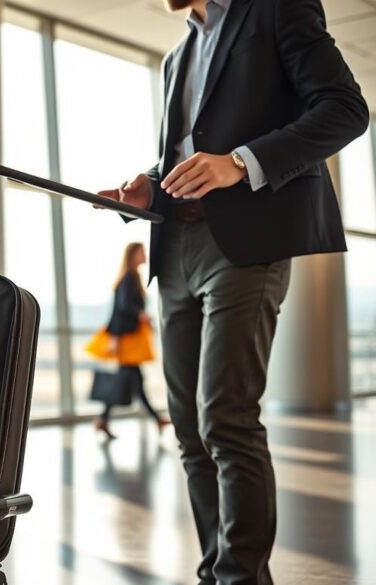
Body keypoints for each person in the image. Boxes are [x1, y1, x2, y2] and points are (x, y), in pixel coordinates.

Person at [97, 0, 369, 582]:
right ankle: (216, 572)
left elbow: (346, 110)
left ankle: (241, 578)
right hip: (177, 251)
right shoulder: (178, 55)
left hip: (247, 244)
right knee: (190, 428)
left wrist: (242, 163)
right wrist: (151, 188)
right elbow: (186, 154)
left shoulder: (277, 9)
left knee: (226, 418)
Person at [86, 243, 168, 439]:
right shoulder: (129, 278)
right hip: (125, 339)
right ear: (132, 255)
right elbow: (122, 308)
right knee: (134, 381)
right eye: (141, 252)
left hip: (127, 339)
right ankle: (155, 418)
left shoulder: (132, 277)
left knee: (131, 380)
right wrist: (139, 316)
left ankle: (104, 420)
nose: (145, 255)